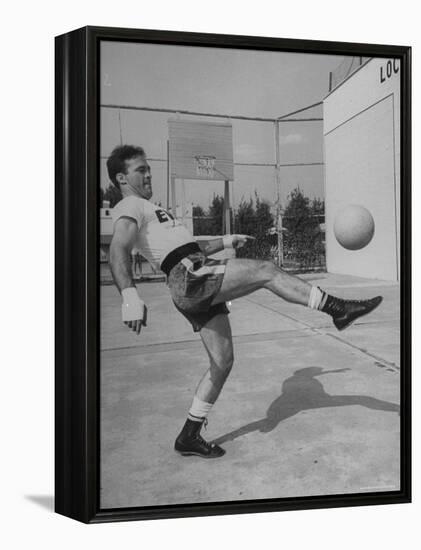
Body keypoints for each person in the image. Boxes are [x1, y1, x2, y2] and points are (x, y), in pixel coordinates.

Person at [107, 144, 383, 459]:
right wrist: (128, 295)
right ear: (121, 177)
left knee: (222, 363)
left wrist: (225, 241)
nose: (148, 174)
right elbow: (118, 247)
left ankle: (189, 434)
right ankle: (337, 309)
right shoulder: (129, 204)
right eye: (140, 170)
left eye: (148, 168)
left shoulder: (150, 210)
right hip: (190, 277)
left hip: (191, 274)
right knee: (266, 270)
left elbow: (187, 245)